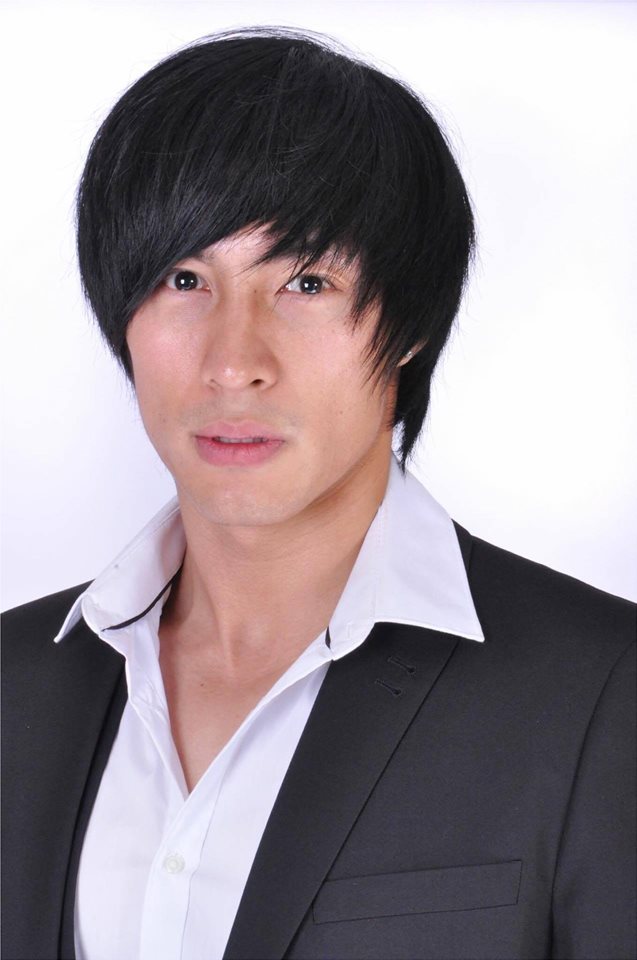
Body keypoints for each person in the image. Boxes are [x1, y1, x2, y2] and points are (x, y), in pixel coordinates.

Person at [1, 26, 634, 960]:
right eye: (184, 278)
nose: (233, 363)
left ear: (410, 321)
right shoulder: (16, 682)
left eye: (305, 281)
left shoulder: (603, 691)